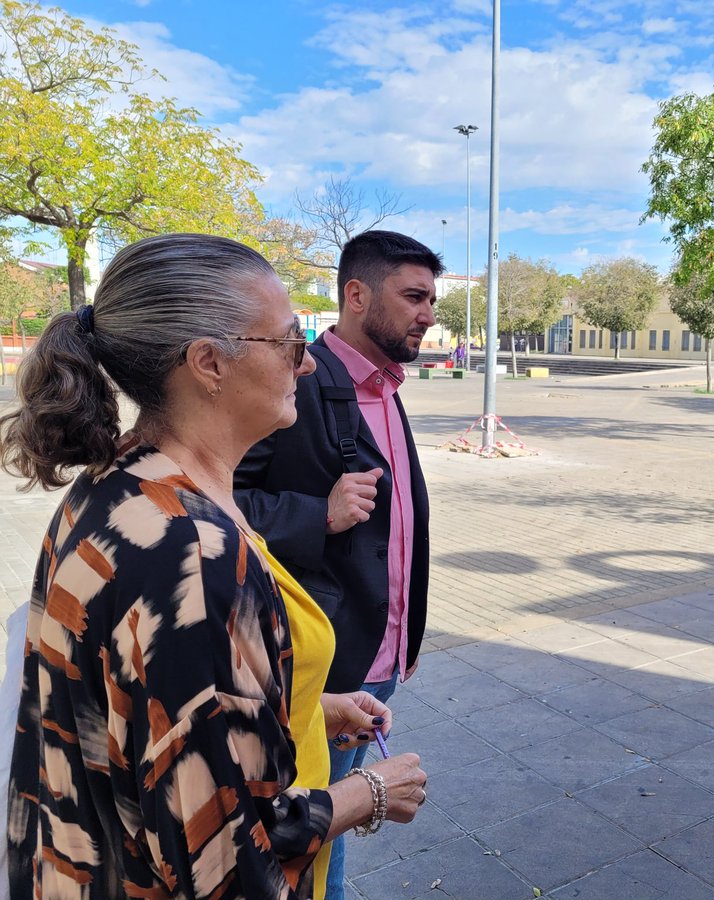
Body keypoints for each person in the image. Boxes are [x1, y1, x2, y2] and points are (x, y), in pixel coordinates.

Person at [0, 234, 428, 899]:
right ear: (209, 363)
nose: (307, 366)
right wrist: (367, 792)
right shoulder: (194, 552)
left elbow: (158, 712)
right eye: (288, 344)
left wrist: (302, 707)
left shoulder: (121, 484)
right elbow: (228, 866)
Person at [234, 230, 440, 898]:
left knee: (335, 824)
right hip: (323, 665)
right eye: (413, 296)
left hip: (377, 667)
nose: (429, 313)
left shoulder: (385, 384)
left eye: (431, 298)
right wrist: (315, 513)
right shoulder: (296, 381)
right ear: (356, 295)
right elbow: (219, 503)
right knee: (316, 825)